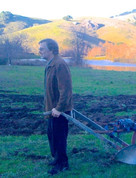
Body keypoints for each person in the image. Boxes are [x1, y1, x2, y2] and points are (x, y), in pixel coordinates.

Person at [39, 38, 73, 175]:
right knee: (52, 135)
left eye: (42, 48)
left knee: (59, 137)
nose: (39, 51)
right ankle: (56, 158)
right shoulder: (51, 63)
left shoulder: (60, 65)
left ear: (52, 50)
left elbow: (65, 90)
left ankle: (62, 164)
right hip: (51, 109)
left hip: (59, 110)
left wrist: (59, 108)